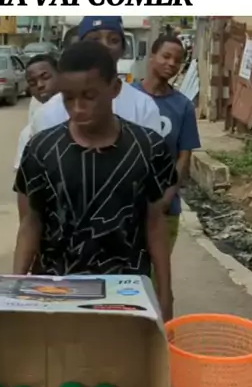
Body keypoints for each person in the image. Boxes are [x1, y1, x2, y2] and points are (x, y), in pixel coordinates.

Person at [13, 43, 177, 321]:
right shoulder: (41, 149)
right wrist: (15, 289)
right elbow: (31, 222)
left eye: (89, 96)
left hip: (127, 298)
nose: (77, 108)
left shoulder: (148, 148)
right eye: (68, 98)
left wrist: (164, 294)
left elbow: (155, 223)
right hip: (55, 296)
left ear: (115, 88)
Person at [29, 16, 162, 135]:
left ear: (123, 49)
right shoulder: (48, 114)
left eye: (113, 40)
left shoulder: (143, 107)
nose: (104, 45)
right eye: (94, 39)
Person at [136, 34, 201, 252]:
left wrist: (167, 197)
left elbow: (183, 157)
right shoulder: (128, 97)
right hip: (126, 208)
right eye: (166, 56)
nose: (172, 63)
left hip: (165, 210)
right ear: (152, 56)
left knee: (157, 269)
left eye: (178, 60)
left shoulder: (183, 107)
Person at [14, 54, 59, 172]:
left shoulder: (80, 112)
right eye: (32, 83)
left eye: (45, 77)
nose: (40, 85)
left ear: (61, 75)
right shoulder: (29, 132)